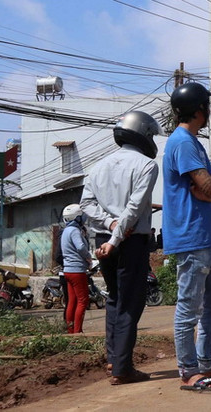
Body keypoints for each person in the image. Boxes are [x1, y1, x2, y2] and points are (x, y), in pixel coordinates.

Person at [163, 81, 211, 392]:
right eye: (206, 107)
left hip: (204, 237)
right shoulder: (182, 142)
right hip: (191, 236)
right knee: (189, 307)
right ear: (199, 111)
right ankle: (188, 370)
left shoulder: (192, 142)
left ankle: (206, 364)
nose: (208, 112)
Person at [79, 110, 160, 385]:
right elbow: (135, 209)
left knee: (114, 298)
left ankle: (114, 358)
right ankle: (122, 368)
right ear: (145, 134)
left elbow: (86, 205)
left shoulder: (98, 166)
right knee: (131, 302)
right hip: (129, 241)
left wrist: (109, 225)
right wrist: (117, 236)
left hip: (104, 240)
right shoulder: (147, 165)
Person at [60, 204, 91, 334]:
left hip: (67, 270)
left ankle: (70, 330)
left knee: (72, 301)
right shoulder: (74, 231)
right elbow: (80, 247)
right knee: (83, 300)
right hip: (77, 270)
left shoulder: (65, 231)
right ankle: (78, 331)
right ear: (77, 218)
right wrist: (88, 257)